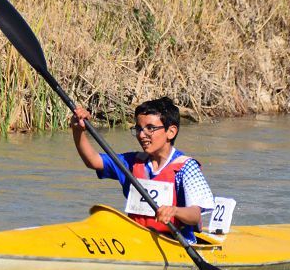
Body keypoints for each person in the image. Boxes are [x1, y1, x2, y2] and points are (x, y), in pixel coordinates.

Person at [70, 97, 214, 244]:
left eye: (150, 128)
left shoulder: (186, 167)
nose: (141, 134)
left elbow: (195, 215)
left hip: (176, 243)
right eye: (138, 128)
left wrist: (174, 211)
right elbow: (93, 161)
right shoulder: (133, 162)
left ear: (170, 132)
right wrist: (78, 131)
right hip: (138, 240)